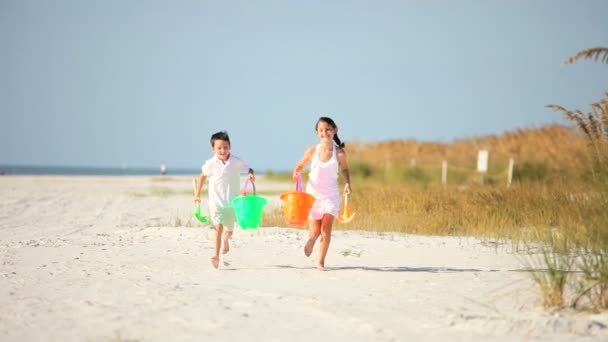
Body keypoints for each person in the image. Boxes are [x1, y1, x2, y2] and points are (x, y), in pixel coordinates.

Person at [291, 117, 352, 271]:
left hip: (331, 195)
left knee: (325, 229)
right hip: (312, 196)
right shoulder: (312, 150)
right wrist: (297, 171)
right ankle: (311, 240)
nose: (325, 133)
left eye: (328, 129)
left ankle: (321, 262)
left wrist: (347, 183)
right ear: (317, 133)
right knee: (315, 232)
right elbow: (300, 165)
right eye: (321, 130)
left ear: (335, 130)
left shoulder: (339, 153)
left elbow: (345, 169)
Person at [194, 131, 255, 269]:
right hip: (216, 202)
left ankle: (226, 240)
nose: (223, 150)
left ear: (230, 146)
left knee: (229, 230)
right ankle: (215, 255)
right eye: (219, 148)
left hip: (232, 203)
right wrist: (197, 194)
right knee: (218, 228)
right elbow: (202, 176)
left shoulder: (236, 161)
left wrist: (250, 174)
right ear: (213, 149)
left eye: (225, 147)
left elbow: (249, 168)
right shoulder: (210, 164)